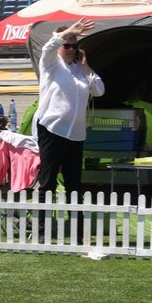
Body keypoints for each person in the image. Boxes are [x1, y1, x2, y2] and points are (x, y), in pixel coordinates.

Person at [33, 18, 105, 199]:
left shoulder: (79, 69)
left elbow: (99, 91)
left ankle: (76, 225)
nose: (71, 49)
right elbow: (48, 48)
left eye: (75, 46)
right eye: (67, 46)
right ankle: (43, 226)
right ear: (59, 46)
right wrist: (68, 32)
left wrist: (85, 67)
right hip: (53, 129)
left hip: (76, 134)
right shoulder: (51, 64)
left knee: (74, 183)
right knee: (48, 180)